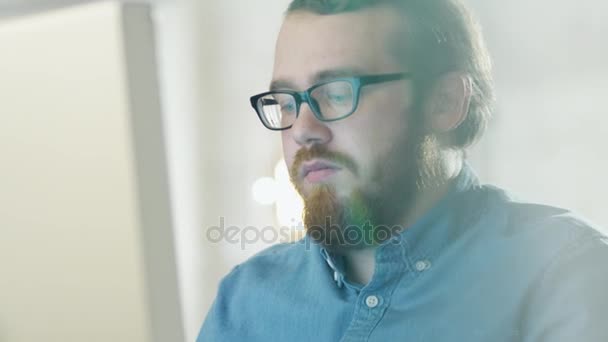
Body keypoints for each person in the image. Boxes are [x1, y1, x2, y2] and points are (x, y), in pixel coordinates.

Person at [197, 0, 608, 341]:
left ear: (445, 102)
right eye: (287, 101)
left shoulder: (561, 274)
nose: (303, 129)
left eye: (337, 94)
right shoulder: (246, 302)